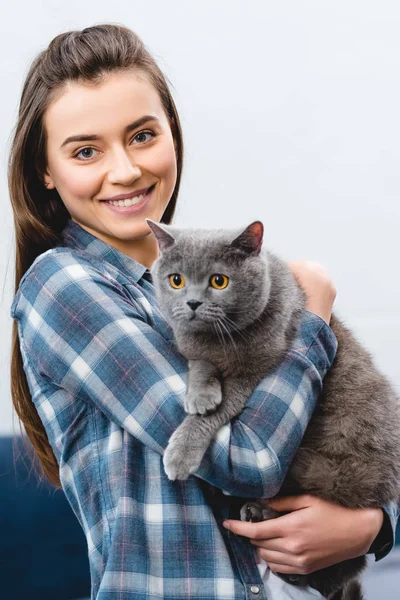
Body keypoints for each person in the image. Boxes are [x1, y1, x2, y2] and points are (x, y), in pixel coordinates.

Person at [8, 24, 398, 600]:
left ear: (173, 135)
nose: (125, 171)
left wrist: (374, 526)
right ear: (46, 170)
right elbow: (252, 459)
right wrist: (313, 311)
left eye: (142, 136)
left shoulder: (199, 278)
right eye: (86, 150)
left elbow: (343, 433)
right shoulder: (63, 286)